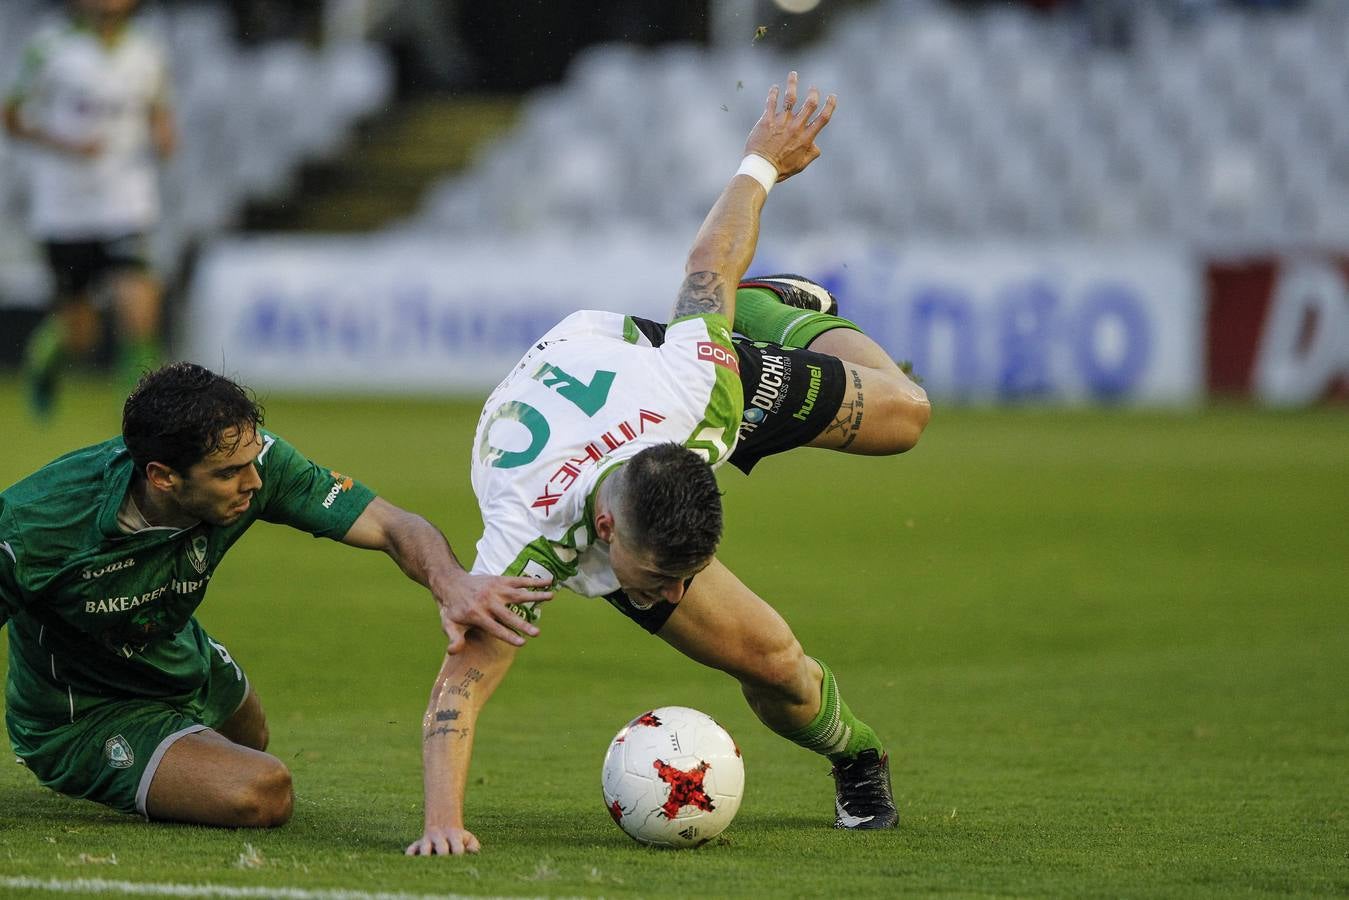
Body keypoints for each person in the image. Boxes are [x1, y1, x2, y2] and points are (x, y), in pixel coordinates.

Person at [407, 72, 932, 856]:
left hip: (662, 376)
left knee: (907, 417)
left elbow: (707, 265)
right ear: (608, 532)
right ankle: (857, 755)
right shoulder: (530, 539)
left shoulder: (702, 392)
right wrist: (443, 824)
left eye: (682, 576)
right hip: (595, 409)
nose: (673, 594)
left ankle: (767, 312)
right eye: (660, 580)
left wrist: (760, 161)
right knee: (776, 665)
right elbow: (460, 688)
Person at [0, 362, 554, 825]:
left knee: (253, 734)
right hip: (79, 711)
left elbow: (392, 525)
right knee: (263, 791)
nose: (256, 484)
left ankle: (178, 744)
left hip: (170, 649)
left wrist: (452, 583)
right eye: (230, 473)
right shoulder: (35, 527)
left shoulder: (253, 465)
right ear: (163, 477)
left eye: (253, 459)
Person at [3, 0, 175, 418]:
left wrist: (164, 136)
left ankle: (146, 410)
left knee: (137, 295)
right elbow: (11, 118)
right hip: (65, 206)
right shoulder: (50, 47)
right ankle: (45, 360)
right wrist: (66, 145)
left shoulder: (147, 49)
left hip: (126, 200)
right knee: (81, 332)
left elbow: (158, 113)